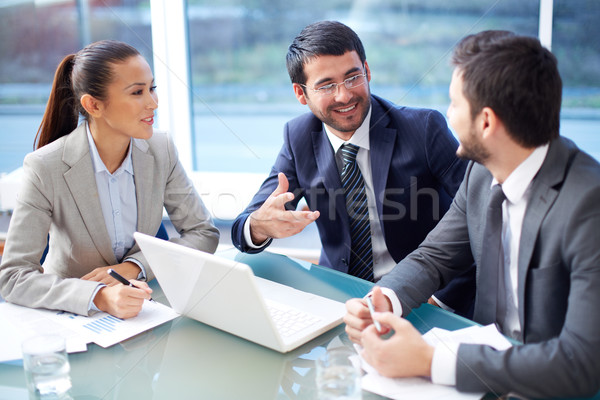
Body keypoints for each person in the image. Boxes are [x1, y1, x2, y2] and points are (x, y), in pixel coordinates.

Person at [344, 30, 600, 399]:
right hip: (481, 373)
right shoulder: (483, 172)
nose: (447, 114)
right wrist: (383, 298)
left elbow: (581, 365)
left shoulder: (588, 206)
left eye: (453, 103)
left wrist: (430, 361)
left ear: (486, 122)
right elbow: (434, 257)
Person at [231, 21, 474, 315]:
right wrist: (258, 226)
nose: (344, 95)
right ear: (300, 93)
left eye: (352, 77)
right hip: (340, 299)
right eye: (326, 85)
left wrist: (439, 300)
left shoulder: (423, 129)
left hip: (421, 295)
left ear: (367, 72)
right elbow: (243, 227)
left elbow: (480, 218)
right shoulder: (298, 138)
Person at [0, 40, 219, 319]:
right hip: (73, 318)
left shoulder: (160, 149)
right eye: (137, 92)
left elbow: (203, 234)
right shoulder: (45, 167)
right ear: (93, 105)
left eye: (151, 88)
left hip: (144, 312)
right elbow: (14, 277)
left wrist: (134, 267)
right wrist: (99, 296)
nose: (154, 103)